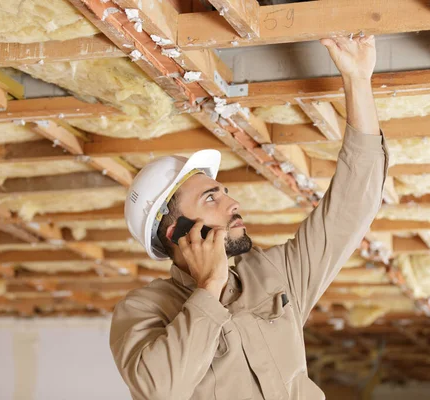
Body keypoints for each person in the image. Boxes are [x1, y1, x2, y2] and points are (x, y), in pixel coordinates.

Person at [110, 34, 389, 400]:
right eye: (212, 198)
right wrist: (209, 287)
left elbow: (352, 206)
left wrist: (357, 80)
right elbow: (161, 389)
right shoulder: (145, 310)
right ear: (175, 230)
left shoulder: (273, 274)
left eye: (224, 191)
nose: (233, 202)